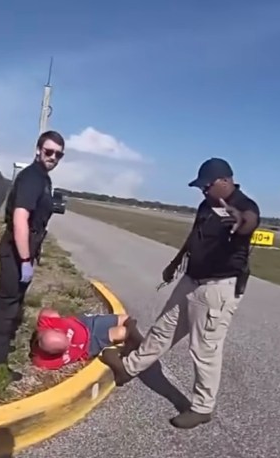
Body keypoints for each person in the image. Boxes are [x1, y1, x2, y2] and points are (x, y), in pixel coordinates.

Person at [100, 157, 260, 429]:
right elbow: (194, 236)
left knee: (205, 348)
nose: (203, 190)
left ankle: (202, 407)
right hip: (191, 279)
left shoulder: (245, 206)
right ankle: (128, 368)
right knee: (163, 328)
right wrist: (175, 263)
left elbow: (249, 222)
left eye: (207, 186)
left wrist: (240, 220)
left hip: (217, 288)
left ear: (225, 181)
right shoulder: (206, 205)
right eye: (201, 187)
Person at [0, 130, 65, 378]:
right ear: (38, 150)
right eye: (49, 151)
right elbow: (20, 219)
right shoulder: (32, 178)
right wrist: (25, 260)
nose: (53, 157)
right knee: (7, 306)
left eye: (58, 154)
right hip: (16, 252)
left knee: (14, 302)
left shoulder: (43, 178)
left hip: (25, 249)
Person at [31, 307, 143, 370]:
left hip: (86, 324)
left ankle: (139, 344)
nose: (71, 343)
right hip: (90, 346)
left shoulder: (47, 324)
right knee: (121, 332)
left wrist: (51, 314)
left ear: (55, 330)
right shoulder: (44, 361)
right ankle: (142, 346)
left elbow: (47, 312)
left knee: (125, 319)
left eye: (66, 337)